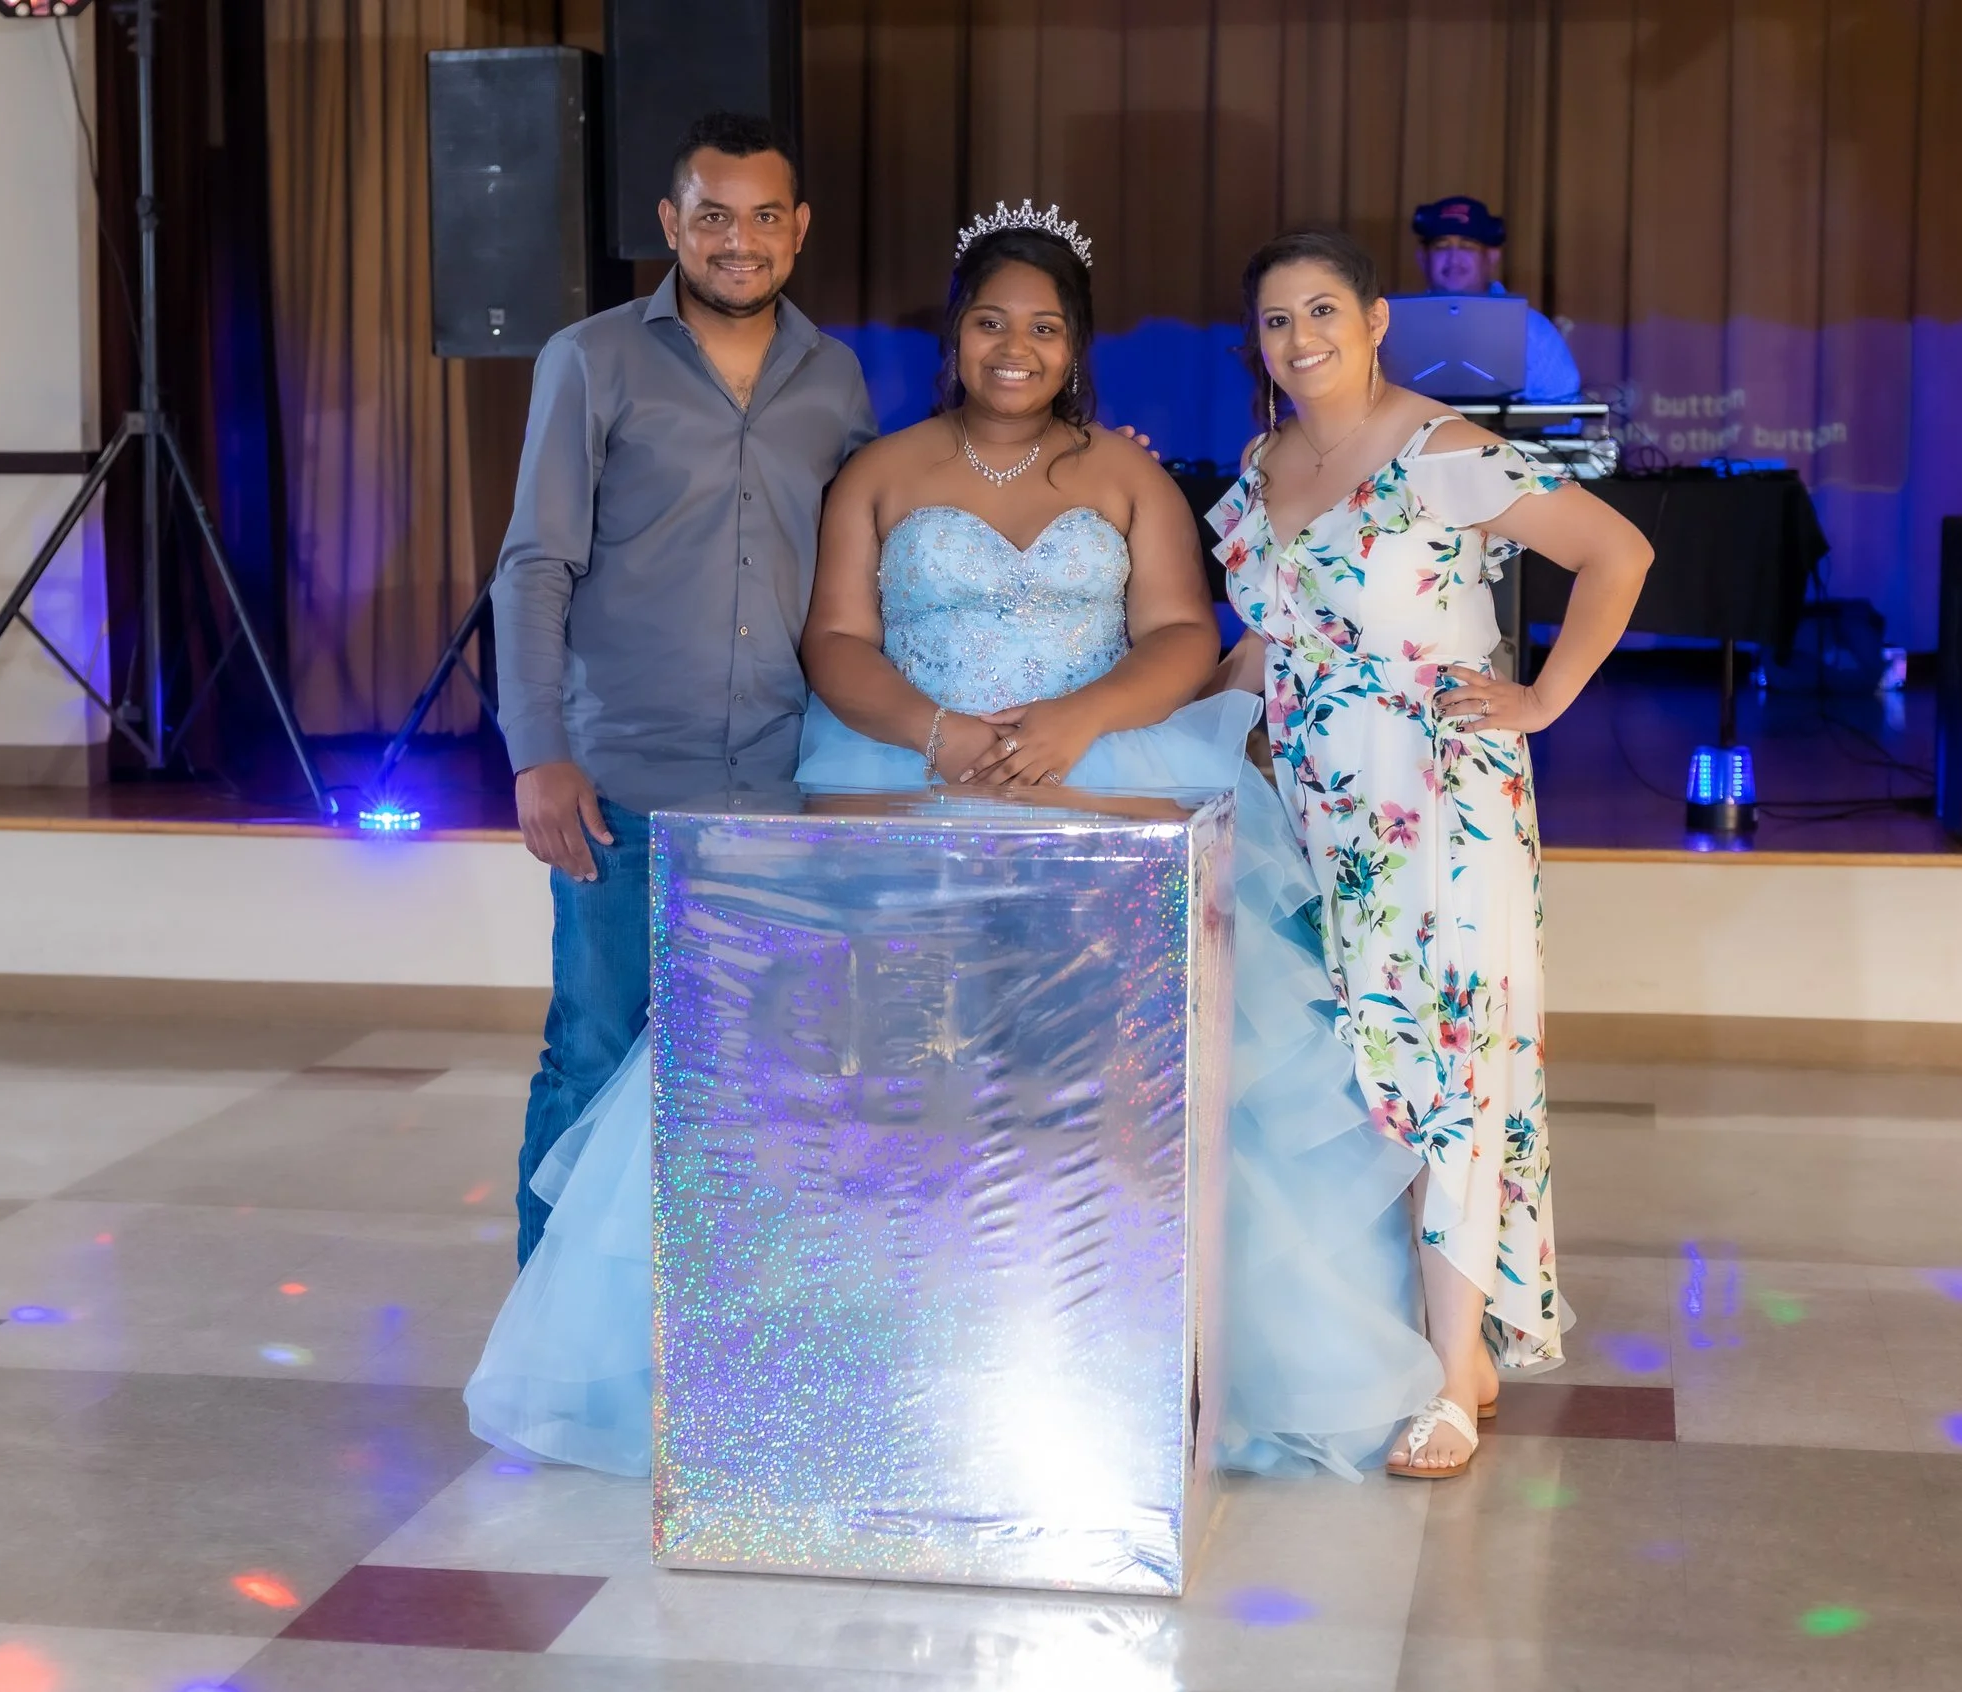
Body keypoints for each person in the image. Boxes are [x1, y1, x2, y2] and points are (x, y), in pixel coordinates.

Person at [467, 201, 1447, 1483]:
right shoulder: (880, 469)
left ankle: (1103, 1353)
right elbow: (835, 639)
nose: (1013, 347)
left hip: (1094, 789)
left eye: (1042, 327)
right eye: (990, 321)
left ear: (1074, 346)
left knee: (1094, 1100)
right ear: (954, 337)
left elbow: (1179, 634)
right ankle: (870, 1363)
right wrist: (934, 734)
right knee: (887, 1099)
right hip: (902, 783)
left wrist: (1077, 721)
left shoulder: (1126, 476)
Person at [1210, 228, 1651, 1476]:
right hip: (1314, 810)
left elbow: (1617, 552)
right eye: (1277, 319)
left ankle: (1454, 1374)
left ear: (1376, 319)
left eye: (1322, 311)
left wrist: (1544, 698)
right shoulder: (1265, 462)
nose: (1300, 338)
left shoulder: (1439, 448)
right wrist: (1186, 736)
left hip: (1437, 803)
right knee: (1362, 1070)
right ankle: (1448, 1344)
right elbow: (1268, 642)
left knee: (1444, 1063)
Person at [490, 112, 876, 1268]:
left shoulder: (836, 376)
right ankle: (550, 1320)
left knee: (765, 1074)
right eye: (712, 216)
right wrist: (537, 749)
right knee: (593, 1052)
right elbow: (535, 564)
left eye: (763, 217)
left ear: (798, 230)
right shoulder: (589, 358)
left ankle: (715, 1313)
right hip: (621, 780)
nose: (737, 241)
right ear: (671, 223)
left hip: (782, 780)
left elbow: (870, 555)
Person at [1399, 195, 1581, 404]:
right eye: (1441, 246)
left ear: (1492, 257)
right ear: (1422, 258)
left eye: (1467, 246)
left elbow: (1565, 414)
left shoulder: (1533, 330)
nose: (1453, 259)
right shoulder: (1395, 328)